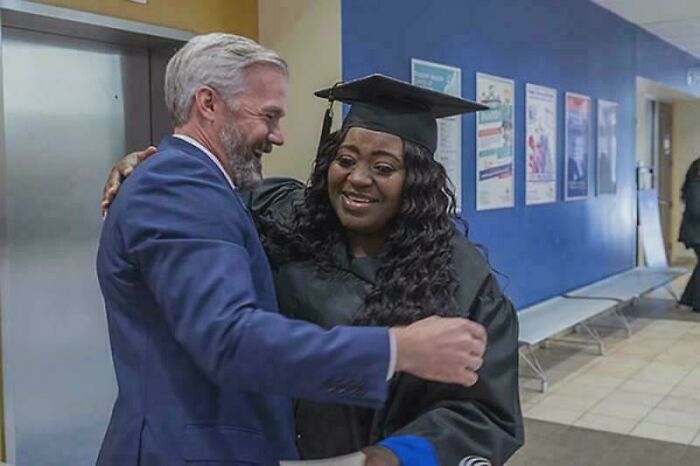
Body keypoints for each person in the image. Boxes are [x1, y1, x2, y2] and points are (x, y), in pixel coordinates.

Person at [96, 34, 489, 466]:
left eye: (383, 168)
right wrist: (398, 349)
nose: (358, 178)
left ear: (417, 181)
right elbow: (227, 333)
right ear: (208, 104)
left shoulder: (463, 276)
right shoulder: (282, 216)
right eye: (345, 159)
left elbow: (483, 413)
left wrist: (390, 458)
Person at [679, 158, 700, 312]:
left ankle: (688, 299)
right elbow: (696, 211)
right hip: (695, 234)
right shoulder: (695, 186)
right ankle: (696, 302)